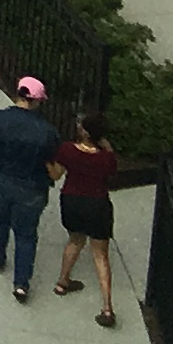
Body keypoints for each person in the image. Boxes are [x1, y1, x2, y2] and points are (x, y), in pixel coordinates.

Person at [0, 74, 60, 301]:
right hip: (31, 190)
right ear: (37, 101)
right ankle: (21, 283)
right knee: (26, 235)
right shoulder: (47, 132)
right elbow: (54, 163)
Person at [53, 110, 123, 326]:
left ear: (83, 131)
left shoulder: (66, 150)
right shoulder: (106, 159)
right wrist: (106, 146)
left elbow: (55, 174)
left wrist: (47, 162)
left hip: (72, 201)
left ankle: (62, 282)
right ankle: (107, 307)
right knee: (100, 254)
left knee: (75, 240)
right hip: (98, 205)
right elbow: (111, 169)